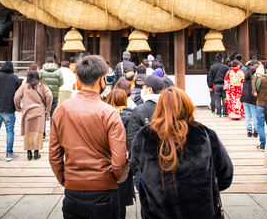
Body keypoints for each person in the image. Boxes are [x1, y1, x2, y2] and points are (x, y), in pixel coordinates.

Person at [129, 87, 234, 219]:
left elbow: (133, 166)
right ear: (188, 105)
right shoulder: (205, 134)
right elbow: (226, 174)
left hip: (158, 211)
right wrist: (208, 189)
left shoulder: (144, 135)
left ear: (159, 108)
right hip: (202, 211)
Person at [49, 55, 129, 219]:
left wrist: (66, 180)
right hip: (104, 189)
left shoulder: (61, 110)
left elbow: (54, 155)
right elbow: (119, 159)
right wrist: (117, 178)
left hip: (72, 188)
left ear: (78, 77)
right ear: (102, 80)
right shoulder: (110, 113)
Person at [106, 89, 136, 219]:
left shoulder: (104, 115)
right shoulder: (133, 116)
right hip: (124, 161)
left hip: (105, 160)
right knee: (121, 200)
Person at [14, 70, 53, 161]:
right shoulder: (42, 85)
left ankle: (28, 153)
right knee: (38, 132)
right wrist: (47, 109)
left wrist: (18, 108)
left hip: (27, 111)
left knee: (28, 132)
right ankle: (36, 153)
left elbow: (16, 97)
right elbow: (50, 96)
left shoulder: (24, 86)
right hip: (39, 111)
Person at [241, 61, 259, 137]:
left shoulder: (245, 78)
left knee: (247, 115)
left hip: (245, 98)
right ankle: (255, 130)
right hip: (252, 98)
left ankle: (248, 130)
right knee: (254, 115)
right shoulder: (255, 79)